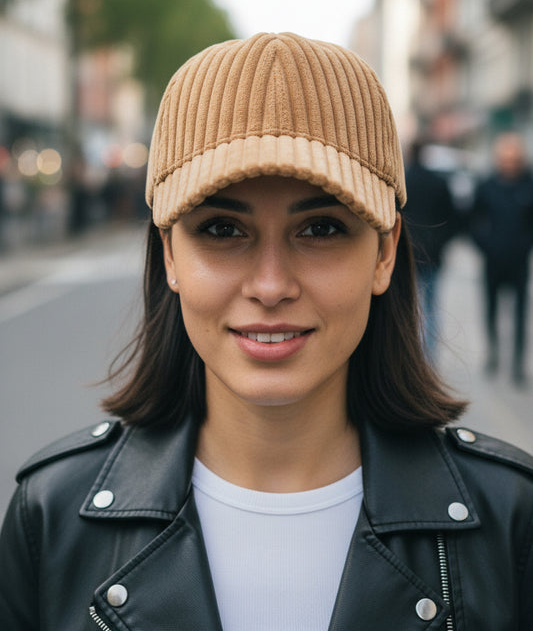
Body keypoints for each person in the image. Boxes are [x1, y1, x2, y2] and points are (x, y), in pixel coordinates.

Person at [0, 33, 532, 630]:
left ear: (384, 255)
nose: (271, 285)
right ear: (169, 257)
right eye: (223, 230)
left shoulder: (510, 518)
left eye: (322, 229)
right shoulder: (50, 516)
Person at [469, 131, 533, 385]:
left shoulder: (528, 185)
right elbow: (472, 220)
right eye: (505, 159)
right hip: (492, 261)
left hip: (519, 262)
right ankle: (493, 353)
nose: (509, 164)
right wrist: (485, 245)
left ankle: (517, 362)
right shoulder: (487, 185)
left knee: (519, 313)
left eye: (514, 159)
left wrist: (525, 245)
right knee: (491, 309)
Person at [404, 139, 458, 360]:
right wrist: (440, 242)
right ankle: (430, 357)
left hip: (406, 253)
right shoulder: (437, 182)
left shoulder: (403, 180)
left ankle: (409, 355)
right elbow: (453, 218)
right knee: (432, 306)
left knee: (407, 306)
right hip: (433, 253)